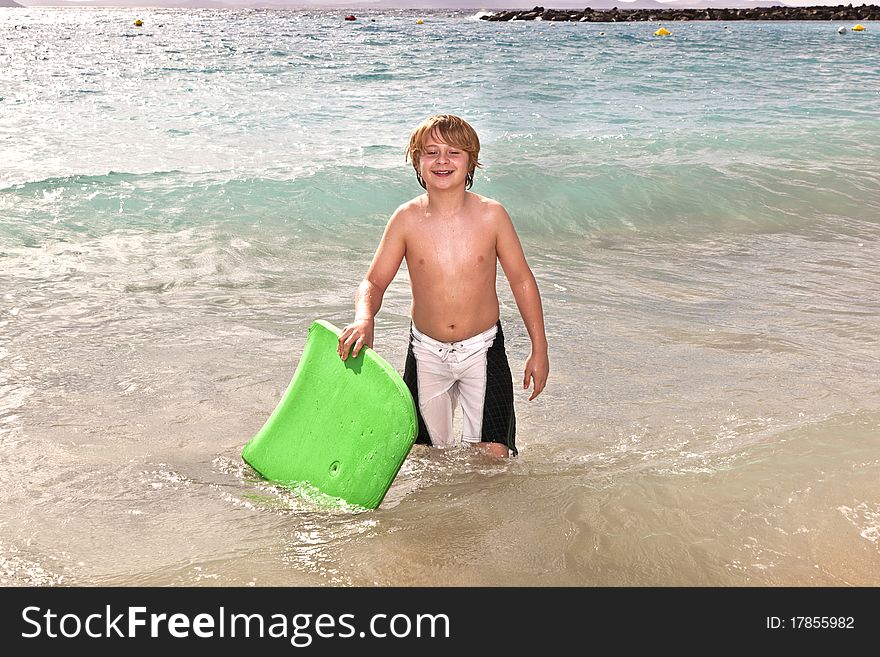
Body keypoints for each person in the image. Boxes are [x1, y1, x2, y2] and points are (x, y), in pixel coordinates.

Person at [337, 114, 548, 457]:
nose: (442, 161)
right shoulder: (406, 219)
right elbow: (372, 282)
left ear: (471, 161)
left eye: (453, 152)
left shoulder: (492, 215)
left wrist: (540, 348)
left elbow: (522, 280)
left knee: (494, 455)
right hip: (426, 352)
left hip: (483, 348)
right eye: (431, 152)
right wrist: (364, 318)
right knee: (427, 458)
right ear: (417, 161)